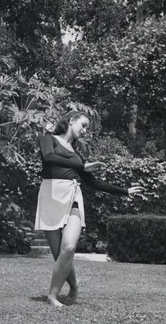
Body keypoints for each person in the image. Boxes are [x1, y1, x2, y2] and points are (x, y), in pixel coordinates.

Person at [34, 110, 145, 308]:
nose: (85, 130)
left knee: (68, 247)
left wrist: (125, 191)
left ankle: (52, 295)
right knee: (59, 253)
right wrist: (82, 166)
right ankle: (74, 286)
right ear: (71, 120)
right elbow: (49, 157)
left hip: (73, 197)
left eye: (87, 127)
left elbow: (93, 183)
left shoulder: (78, 156)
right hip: (50, 196)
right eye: (83, 125)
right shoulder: (48, 139)